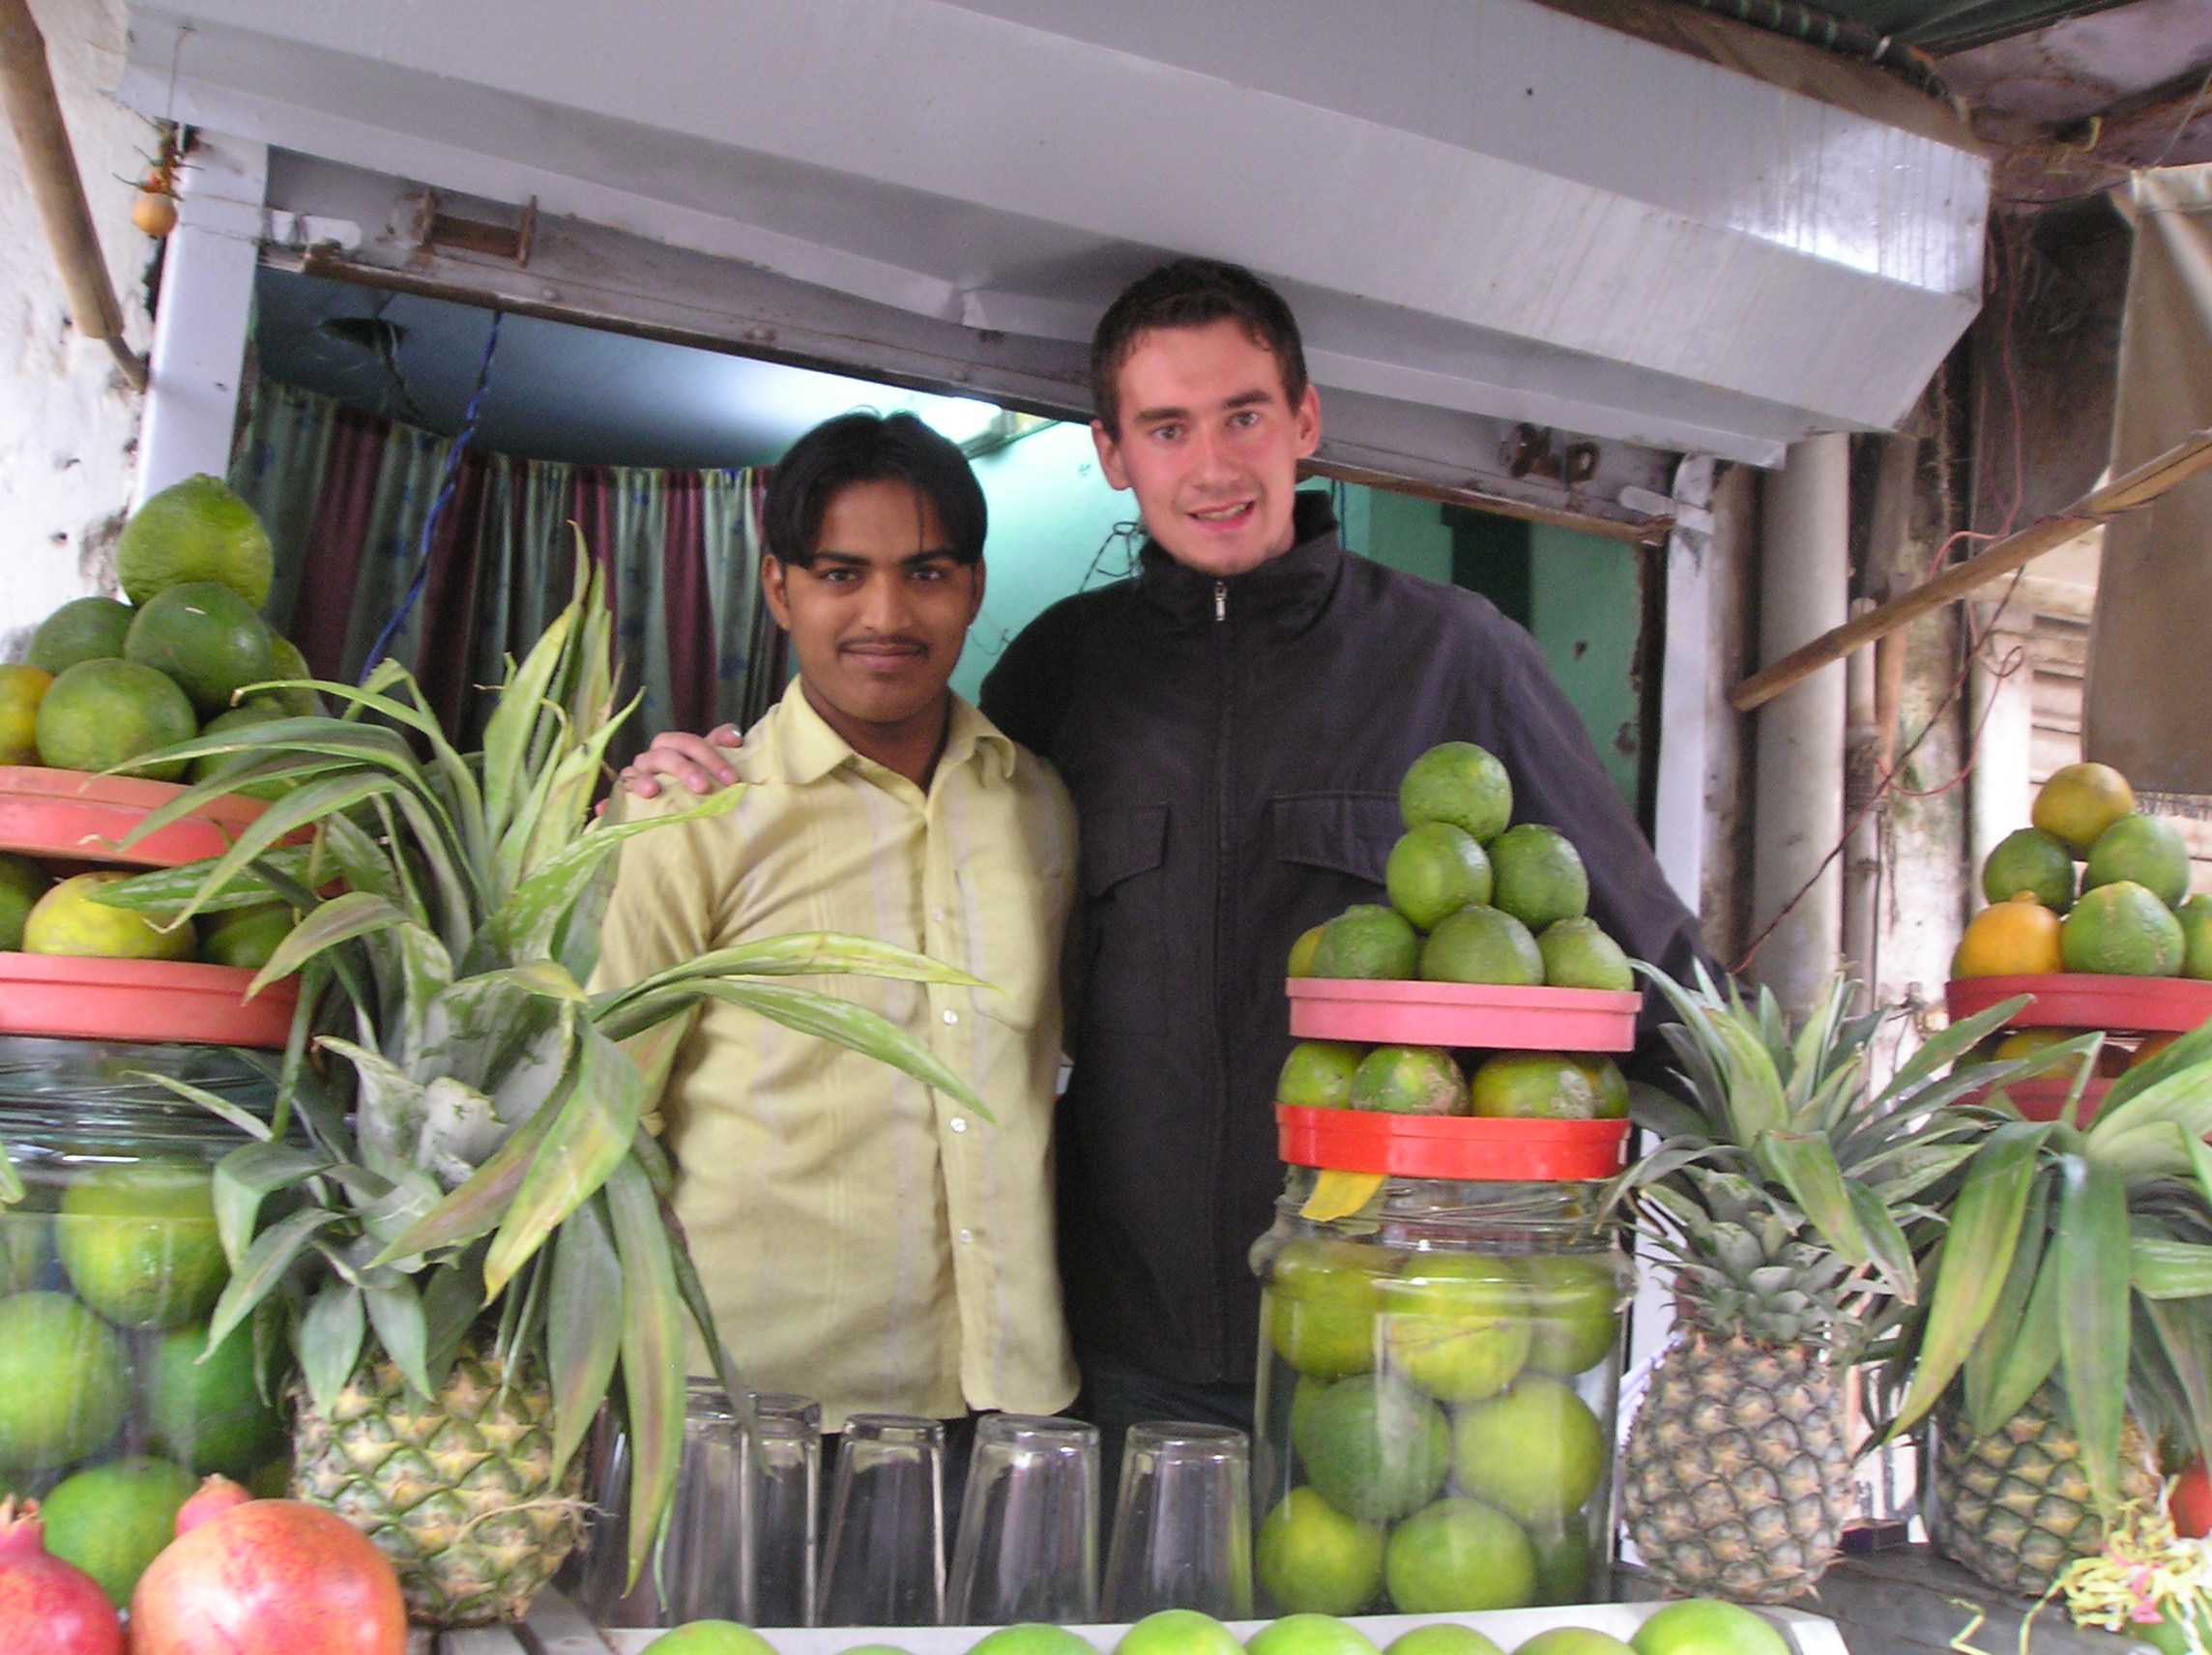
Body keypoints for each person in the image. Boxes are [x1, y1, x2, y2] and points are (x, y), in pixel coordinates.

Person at [623, 261, 1708, 1475]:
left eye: (1242, 415)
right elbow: (908, 815)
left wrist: (1759, 1201)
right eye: (1166, 427)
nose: (1211, 466)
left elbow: (1652, 964)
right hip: (1114, 1346)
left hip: (1385, 1322)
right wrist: (686, 780)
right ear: (1111, 452)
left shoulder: (1453, 656)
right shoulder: (1063, 671)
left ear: (1304, 419)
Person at [593, 410, 1079, 1437]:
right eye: (841, 574)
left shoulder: (1036, 804)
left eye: (926, 572)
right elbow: (607, 1115)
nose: (886, 614)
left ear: (974, 585)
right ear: (780, 588)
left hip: (1007, 1394)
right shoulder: (693, 813)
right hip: (757, 1403)